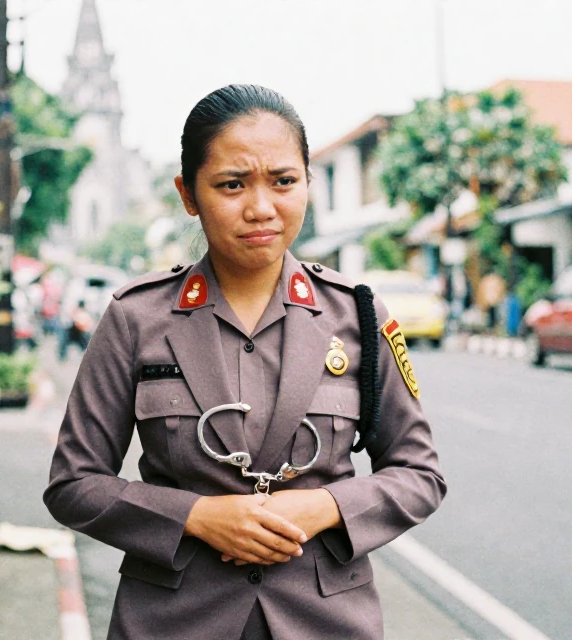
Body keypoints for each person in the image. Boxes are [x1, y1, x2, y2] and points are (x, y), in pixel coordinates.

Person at [44, 85, 445, 639]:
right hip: (172, 622)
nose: (261, 208)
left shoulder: (361, 317)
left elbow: (419, 474)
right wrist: (196, 518)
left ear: (307, 181)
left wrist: (325, 507)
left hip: (326, 622)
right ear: (189, 194)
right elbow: (74, 484)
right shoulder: (136, 319)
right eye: (232, 185)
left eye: (283, 181)